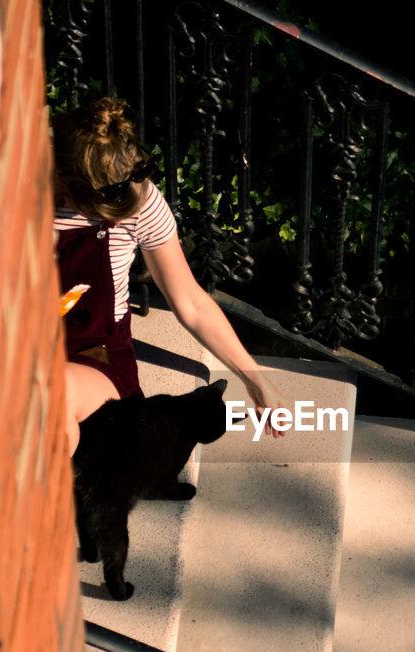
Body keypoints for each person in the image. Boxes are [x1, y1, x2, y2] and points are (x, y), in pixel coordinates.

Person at [52, 97, 286, 453]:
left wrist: (255, 380)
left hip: (95, 354)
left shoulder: (141, 199)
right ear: (67, 184)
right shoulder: (13, 194)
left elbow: (190, 301)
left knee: (51, 399)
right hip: (17, 344)